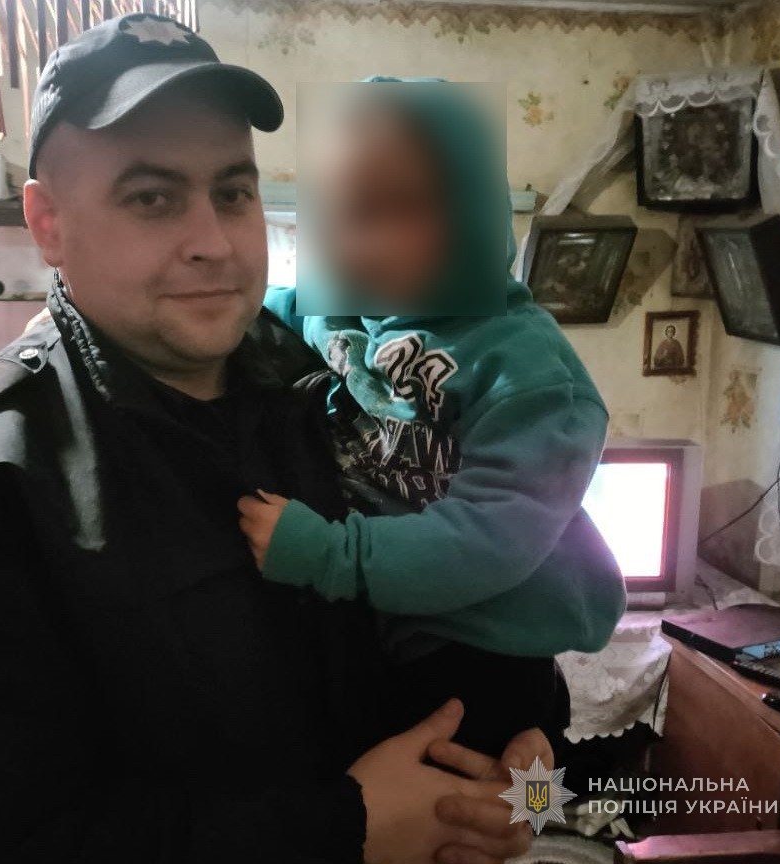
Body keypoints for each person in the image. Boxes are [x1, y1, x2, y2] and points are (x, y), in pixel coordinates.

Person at [0, 18, 544, 864]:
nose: (214, 244)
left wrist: (530, 759)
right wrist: (344, 828)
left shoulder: (348, 386)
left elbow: (497, 610)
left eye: (233, 193)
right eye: (152, 198)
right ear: (48, 223)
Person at [240, 79, 626, 757]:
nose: (355, 238)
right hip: (389, 626)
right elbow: (242, 310)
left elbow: (490, 538)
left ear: (468, 212)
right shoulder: (336, 307)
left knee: (496, 802)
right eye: (338, 210)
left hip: (486, 653)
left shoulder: (529, 372)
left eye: (397, 206)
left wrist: (330, 554)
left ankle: (542, 803)